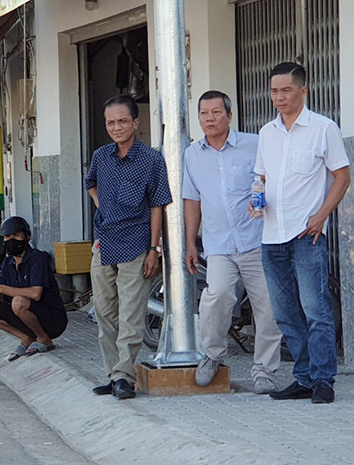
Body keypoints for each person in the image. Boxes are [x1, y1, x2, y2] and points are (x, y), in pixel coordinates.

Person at [254, 62, 350, 404]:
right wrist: (256, 201)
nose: (279, 97)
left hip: (306, 235)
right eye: (274, 91)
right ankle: (304, 377)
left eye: (286, 90)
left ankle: (324, 380)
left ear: (303, 91)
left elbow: (342, 175)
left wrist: (322, 215)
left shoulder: (323, 128)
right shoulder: (266, 133)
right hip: (271, 237)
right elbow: (261, 179)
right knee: (285, 314)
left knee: (316, 310)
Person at [182, 90, 283, 394]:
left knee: (268, 307)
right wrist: (190, 243)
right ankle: (212, 355)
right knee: (217, 296)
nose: (209, 118)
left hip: (256, 241)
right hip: (219, 246)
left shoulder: (254, 144)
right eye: (204, 113)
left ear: (229, 115)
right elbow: (192, 200)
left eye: (216, 112)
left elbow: (272, 180)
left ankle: (264, 371)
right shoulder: (192, 154)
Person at [85, 95, 172, 400]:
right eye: (111, 122)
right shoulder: (101, 156)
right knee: (105, 312)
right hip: (104, 243)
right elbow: (90, 183)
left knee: (131, 314)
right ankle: (113, 374)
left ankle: (125, 375)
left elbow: (158, 206)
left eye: (123, 121)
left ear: (136, 122)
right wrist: (103, 208)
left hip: (137, 244)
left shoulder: (151, 160)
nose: (117, 127)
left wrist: (154, 248)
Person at [0, 216, 67, 361]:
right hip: (24, 316)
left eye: (16, 235)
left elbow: (35, 293)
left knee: (18, 302)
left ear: (27, 237)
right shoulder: (8, 261)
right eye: (7, 236)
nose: (11, 240)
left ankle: (44, 339)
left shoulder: (37, 257)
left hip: (52, 319)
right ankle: (26, 337)